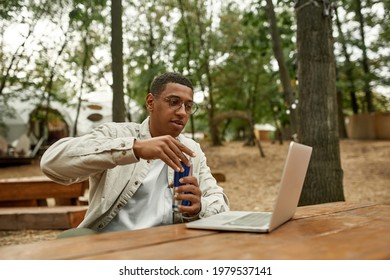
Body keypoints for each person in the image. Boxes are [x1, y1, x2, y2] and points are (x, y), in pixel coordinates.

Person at [40, 72, 229, 233]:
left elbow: (220, 203)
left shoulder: (191, 150)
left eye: (188, 106)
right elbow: (51, 163)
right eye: (174, 102)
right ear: (150, 102)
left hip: (167, 248)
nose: (182, 112)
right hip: (112, 248)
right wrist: (134, 148)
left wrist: (199, 207)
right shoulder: (116, 134)